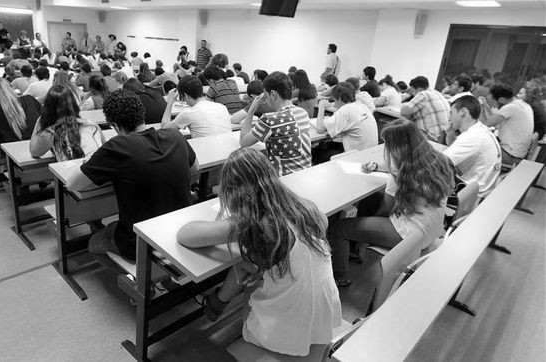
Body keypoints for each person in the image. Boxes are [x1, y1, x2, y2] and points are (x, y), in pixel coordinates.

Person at [177, 147, 341, 355]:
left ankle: (217, 303)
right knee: (252, 265)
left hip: (286, 332)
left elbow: (185, 235)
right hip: (324, 320)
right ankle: (217, 302)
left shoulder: (252, 222)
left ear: (234, 191)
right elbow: (322, 225)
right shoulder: (305, 208)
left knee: (248, 273)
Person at [65, 89, 198, 264]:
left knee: (94, 244)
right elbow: (195, 168)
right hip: (179, 230)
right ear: (142, 114)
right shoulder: (175, 136)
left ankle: (139, 280)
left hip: (141, 240)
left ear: (115, 125)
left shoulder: (117, 147)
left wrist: (95, 156)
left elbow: (72, 184)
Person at [328, 119, 453, 286]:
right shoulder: (434, 158)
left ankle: (340, 278)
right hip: (431, 228)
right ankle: (354, 249)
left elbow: (387, 208)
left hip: (410, 234)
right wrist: (375, 165)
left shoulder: (401, 170)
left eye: (387, 143)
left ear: (397, 146)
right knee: (369, 200)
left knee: (338, 228)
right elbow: (391, 167)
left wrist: (371, 223)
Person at [239, 71, 312, 176]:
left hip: (281, 182)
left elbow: (243, 142)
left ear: (273, 94)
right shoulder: (303, 112)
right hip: (305, 175)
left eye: (266, 94)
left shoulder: (269, 120)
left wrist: (251, 109)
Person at [444, 95, 501, 199]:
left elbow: (439, 161)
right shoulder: (479, 129)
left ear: (463, 112)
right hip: (478, 189)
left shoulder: (473, 136)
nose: (449, 118)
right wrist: (450, 133)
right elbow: (453, 153)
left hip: (471, 196)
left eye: (451, 113)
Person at [30, 85, 105, 161]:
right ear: (73, 104)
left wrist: (40, 122)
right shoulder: (91, 124)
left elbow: (34, 152)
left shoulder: (50, 134)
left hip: (77, 171)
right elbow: (104, 146)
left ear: (47, 107)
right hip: (100, 167)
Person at [315, 82, 378, 153]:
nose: (334, 105)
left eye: (335, 100)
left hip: (355, 158)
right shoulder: (362, 106)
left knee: (316, 153)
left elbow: (320, 129)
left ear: (339, 98)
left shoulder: (345, 110)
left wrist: (321, 107)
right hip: (370, 153)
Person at [0, 78, 42, 143]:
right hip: (38, 144)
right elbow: (45, 117)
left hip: (10, 149)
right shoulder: (29, 99)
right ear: (11, 87)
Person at [480, 83, 534, 165]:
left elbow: (486, 124)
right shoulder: (523, 105)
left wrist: (480, 107)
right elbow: (493, 120)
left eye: (493, 102)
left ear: (501, 100)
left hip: (509, 155)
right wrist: (486, 106)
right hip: (517, 155)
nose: (493, 106)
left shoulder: (511, 107)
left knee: (473, 149)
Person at [161, 75, 231, 138]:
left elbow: (164, 130)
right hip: (228, 149)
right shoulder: (222, 107)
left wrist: (169, 102)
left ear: (185, 96)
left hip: (205, 151)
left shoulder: (188, 113)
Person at [400, 76, 450, 143]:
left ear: (419, 89)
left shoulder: (423, 94)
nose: (412, 94)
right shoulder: (437, 93)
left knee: (398, 132)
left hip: (430, 137)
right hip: (441, 136)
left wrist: (406, 98)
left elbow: (404, 112)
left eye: (412, 91)